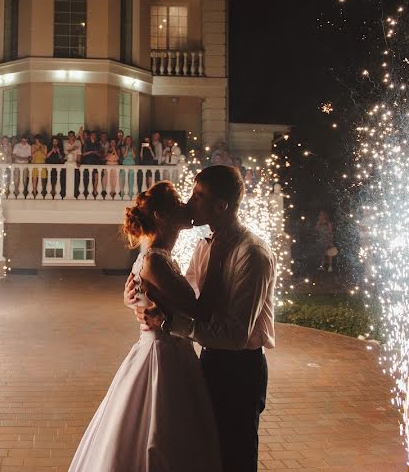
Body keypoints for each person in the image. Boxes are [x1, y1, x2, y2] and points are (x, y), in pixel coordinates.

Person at [127, 165, 277, 472]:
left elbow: (235, 335)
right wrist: (138, 294)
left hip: (240, 371)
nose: (189, 203)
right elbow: (188, 296)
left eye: (198, 196)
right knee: (207, 454)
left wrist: (167, 323)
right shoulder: (205, 245)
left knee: (236, 455)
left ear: (221, 206)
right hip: (206, 360)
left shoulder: (252, 254)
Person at [69, 182, 222, 472]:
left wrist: (131, 300)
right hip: (164, 358)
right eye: (178, 201)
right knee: (164, 437)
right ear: (161, 216)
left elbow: (149, 295)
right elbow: (200, 311)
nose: (186, 204)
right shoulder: (155, 260)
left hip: (170, 350)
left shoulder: (157, 257)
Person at [81, 129, 104, 196]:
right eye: (92, 135)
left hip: (96, 161)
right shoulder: (86, 143)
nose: (93, 136)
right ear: (90, 136)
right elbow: (83, 154)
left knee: (97, 176)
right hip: (88, 161)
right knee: (88, 177)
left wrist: (96, 153)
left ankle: (95, 190)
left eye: (95, 135)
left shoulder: (98, 144)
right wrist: (91, 152)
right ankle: (86, 192)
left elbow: (101, 155)